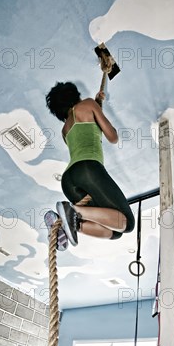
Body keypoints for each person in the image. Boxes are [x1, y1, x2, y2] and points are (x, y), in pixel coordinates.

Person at [45, 82, 135, 246]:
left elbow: (85, 132)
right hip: (88, 171)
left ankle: (72, 224)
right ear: (75, 95)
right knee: (127, 223)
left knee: (115, 232)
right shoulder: (87, 104)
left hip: (69, 181)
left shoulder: (64, 130)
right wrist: (96, 107)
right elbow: (113, 137)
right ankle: (73, 212)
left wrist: (96, 106)